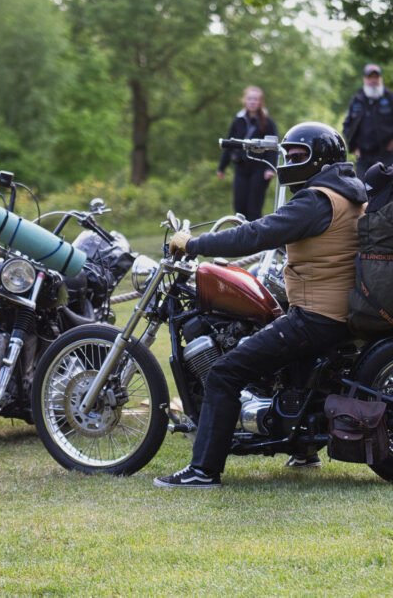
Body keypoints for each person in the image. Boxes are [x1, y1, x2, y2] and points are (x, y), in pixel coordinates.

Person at [154, 122, 367, 489]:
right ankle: (303, 448)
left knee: (224, 373)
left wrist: (194, 244)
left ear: (320, 160)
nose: (290, 162)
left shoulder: (317, 199)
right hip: (336, 312)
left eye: (298, 155)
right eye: (289, 155)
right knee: (287, 369)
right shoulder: (347, 193)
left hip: (317, 316)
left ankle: (203, 470)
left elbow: (256, 233)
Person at [342, 63, 393, 178]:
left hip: (386, 157)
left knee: (388, 192)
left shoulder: (392, 99)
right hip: (363, 159)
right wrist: (353, 146)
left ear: (380, 79)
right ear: (364, 79)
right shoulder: (357, 100)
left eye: (376, 77)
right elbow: (347, 125)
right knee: (362, 192)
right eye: (370, 77)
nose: (373, 80)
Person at [217, 86, 279, 221]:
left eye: (255, 99)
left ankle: (255, 239)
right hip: (241, 167)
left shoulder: (267, 122)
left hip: (259, 168)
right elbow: (229, 144)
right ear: (244, 100)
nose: (252, 102)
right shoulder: (238, 120)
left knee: (254, 207)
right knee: (239, 206)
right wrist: (222, 167)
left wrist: (270, 168)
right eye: (250, 99)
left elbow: (272, 147)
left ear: (260, 102)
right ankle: (240, 237)